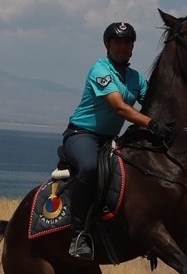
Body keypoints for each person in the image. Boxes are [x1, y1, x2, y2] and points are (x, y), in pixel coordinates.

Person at [63, 21, 174, 259]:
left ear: (133, 47)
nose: (123, 47)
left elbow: (154, 103)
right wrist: (152, 123)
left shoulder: (135, 78)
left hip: (111, 139)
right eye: (118, 42)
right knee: (90, 167)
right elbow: (119, 108)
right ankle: (77, 236)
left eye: (128, 42)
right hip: (82, 135)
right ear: (107, 44)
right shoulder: (100, 71)